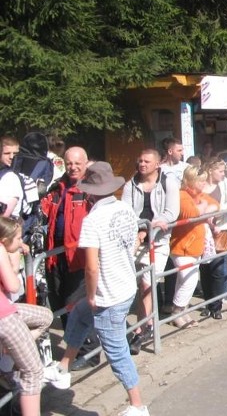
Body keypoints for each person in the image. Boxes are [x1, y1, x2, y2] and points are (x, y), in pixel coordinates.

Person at [55, 161, 151, 416]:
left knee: (116, 351)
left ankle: (137, 405)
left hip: (108, 293)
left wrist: (90, 293)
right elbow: (131, 244)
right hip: (124, 283)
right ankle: (63, 367)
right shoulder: (125, 209)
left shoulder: (93, 219)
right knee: (79, 315)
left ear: (89, 192)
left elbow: (91, 266)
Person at [121, 149, 180, 352]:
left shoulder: (168, 183)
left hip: (158, 241)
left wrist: (152, 227)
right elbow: (126, 212)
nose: (142, 164)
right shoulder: (132, 184)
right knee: (139, 285)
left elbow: (172, 212)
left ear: (157, 164)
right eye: (140, 161)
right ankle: (147, 324)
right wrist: (143, 228)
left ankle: (141, 330)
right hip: (136, 239)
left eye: (147, 161)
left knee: (147, 283)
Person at [0, 217, 55, 414]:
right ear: (5, 241)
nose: (20, 241)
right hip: (4, 317)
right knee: (33, 372)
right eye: (17, 238)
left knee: (45, 317)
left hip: (8, 312)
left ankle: (11, 347)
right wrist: (14, 261)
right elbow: (13, 286)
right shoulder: (0, 251)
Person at [40, 147, 93, 326]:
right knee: (58, 298)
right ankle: (71, 342)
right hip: (56, 253)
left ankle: (85, 352)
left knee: (76, 303)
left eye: (78, 163)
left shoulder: (91, 189)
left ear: (86, 163)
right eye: (69, 163)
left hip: (80, 255)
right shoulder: (57, 187)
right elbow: (44, 211)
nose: (73, 167)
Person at [169, 167, 216, 328]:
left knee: (184, 280)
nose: (204, 183)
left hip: (196, 245)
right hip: (182, 246)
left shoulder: (199, 195)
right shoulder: (182, 195)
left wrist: (205, 208)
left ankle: (183, 310)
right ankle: (177, 311)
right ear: (191, 180)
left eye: (204, 180)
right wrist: (203, 209)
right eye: (201, 180)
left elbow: (215, 204)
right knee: (189, 280)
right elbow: (190, 213)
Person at [200, 159, 227, 319]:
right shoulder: (200, 183)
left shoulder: (225, 184)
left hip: (220, 230)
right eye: (220, 171)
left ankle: (217, 305)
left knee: (219, 268)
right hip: (202, 230)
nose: (223, 174)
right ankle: (208, 303)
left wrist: (219, 210)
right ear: (210, 170)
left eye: (223, 171)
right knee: (205, 269)